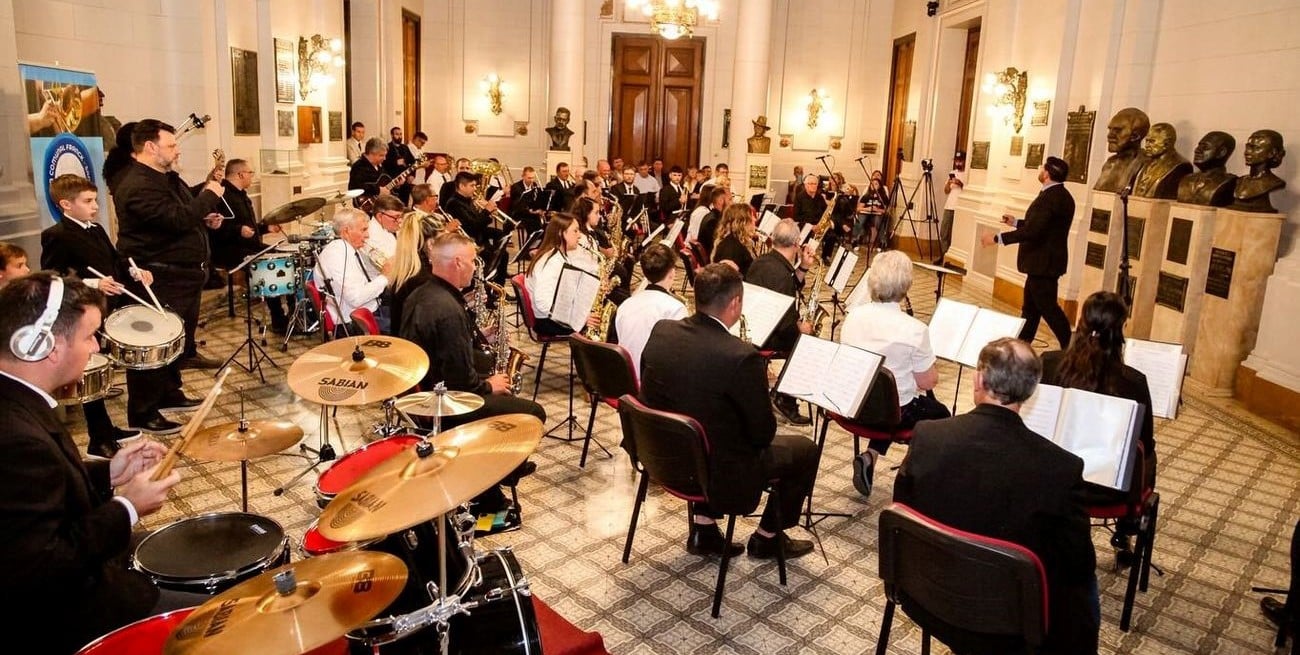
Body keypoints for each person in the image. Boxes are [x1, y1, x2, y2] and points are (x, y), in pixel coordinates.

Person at [0, 272, 196, 655]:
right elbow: (40, 567)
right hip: (59, 615)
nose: (96, 348)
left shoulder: (18, 400)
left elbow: (38, 489)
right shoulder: (14, 437)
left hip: (64, 587)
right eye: (90, 336)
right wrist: (127, 507)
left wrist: (108, 472)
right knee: (210, 619)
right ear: (44, 345)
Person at [894, 337, 1099, 654]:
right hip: (1011, 623)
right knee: (1083, 593)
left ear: (979, 378)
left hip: (926, 596)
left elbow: (902, 514)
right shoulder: (1061, 468)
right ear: (1030, 392)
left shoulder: (928, 435)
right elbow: (1079, 563)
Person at [640, 263, 818, 560]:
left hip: (663, 458)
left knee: (709, 420)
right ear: (735, 304)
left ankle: (704, 528)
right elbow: (763, 433)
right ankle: (768, 537)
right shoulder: (740, 356)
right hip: (715, 473)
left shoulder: (663, 331)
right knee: (805, 450)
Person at [399, 233, 544, 532]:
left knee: (490, 368)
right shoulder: (448, 310)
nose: (476, 267)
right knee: (532, 412)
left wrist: (476, 340)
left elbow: (442, 350)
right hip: (444, 403)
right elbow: (462, 383)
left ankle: (495, 476)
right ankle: (496, 475)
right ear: (457, 262)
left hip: (422, 391)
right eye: (473, 261)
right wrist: (491, 384)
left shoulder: (422, 293)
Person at [111, 119, 224, 433]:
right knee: (154, 341)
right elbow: (175, 219)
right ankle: (144, 411)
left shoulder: (165, 178)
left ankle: (169, 392)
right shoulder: (136, 184)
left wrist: (207, 217)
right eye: (171, 145)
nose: (176, 151)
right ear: (150, 147)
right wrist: (211, 193)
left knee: (177, 340)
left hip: (183, 275)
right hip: (157, 276)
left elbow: (186, 214)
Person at [40, 175, 152, 454]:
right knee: (89, 371)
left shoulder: (97, 229)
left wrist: (134, 271)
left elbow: (115, 259)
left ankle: (105, 428)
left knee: (102, 369)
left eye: (95, 200)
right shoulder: (56, 235)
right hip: (80, 312)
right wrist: (93, 283)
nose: (95, 206)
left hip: (105, 309)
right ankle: (98, 439)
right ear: (66, 204)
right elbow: (54, 277)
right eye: (88, 201)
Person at [1040, 291, 1156, 560]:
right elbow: (1145, 444)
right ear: (1120, 331)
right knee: (1145, 453)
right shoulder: (1133, 381)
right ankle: (1125, 529)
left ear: (1080, 322)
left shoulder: (1049, 364)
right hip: (1109, 492)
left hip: (1054, 479)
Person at [839, 250, 949, 497]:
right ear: (906, 285)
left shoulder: (853, 316)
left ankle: (870, 456)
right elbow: (928, 381)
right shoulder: (914, 329)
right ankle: (911, 475)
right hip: (892, 414)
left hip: (853, 405)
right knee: (940, 415)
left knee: (889, 397)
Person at [980, 156, 1075, 349]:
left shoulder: (1049, 198)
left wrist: (998, 238)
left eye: (1042, 168)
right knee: (1030, 311)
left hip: (1042, 264)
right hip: (1045, 263)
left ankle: (1071, 348)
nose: (1040, 169)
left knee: (1049, 310)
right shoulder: (1062, 196)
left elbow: (1034, 231)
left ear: (1047, 173)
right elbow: (1042, 226)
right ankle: (1021, 347)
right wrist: (1015, 223)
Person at [746, 219, 816, 426]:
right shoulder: (781, 275)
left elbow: (787, 285)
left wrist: (803, 267)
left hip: (753, 327)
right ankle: (785, 398)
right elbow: (786, 328)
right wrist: (802, 329)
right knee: (808, 343)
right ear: (796, 244)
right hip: (767, 335)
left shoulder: (763, 261)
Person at [615, 243, 687, 380]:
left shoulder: (626, 305)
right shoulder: (675, 309)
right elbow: (678, 354)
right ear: (672, 273)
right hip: (653, 384)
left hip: (625, 380)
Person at [315, 208, 392, 334]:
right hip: (355, 322)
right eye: (363, 230)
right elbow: (356, 299)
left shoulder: (346, 249)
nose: (367, 235)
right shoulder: (339, 255)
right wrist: (384, 277)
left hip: (365, 311)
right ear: (346, 231)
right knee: (409, 325)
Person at [524, 214, 593, 337]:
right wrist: (579, 317)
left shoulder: (558, 255)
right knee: (599, 326)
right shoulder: (550, 262)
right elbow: (543, 303)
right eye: (575, 231)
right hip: (548, 322)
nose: (579, 235)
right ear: (562, 233)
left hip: (555, 316)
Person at [1093, 107, 1150, 193]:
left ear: (1135, 136)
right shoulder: (1110, 162)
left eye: (1117, 130)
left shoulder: (1145, 164)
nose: (1110, 135)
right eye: (1110, 129)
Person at [1231, 129, 1288, 214]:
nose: (1247, 152)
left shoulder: (1274, 182)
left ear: (1272, 153)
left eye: (1256, 148)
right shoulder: (1239, 181)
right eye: (1247, 147)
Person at [1176, 131, 1239, 207]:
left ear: (1221, 152)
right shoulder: (1186, 179)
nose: (1197, 150)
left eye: (1205, 147)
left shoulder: (1230, 182)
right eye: (1199, 146)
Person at [1132, 122, 1192, 199]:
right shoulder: (1144, 162)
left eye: (1152, 141)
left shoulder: (1180, 166)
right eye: (1147, 141)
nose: (1147, 145)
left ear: (1167, 143)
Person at [711, 203, 759, 276]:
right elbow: (727, 279)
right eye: (752, 216)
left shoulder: (737, 241)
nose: (755, 220)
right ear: (742, 222)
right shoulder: (732, 248)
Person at [939, 152, 965, 262]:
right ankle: (943, 255)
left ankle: (951, 258)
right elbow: (946, 191)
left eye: (960, 161)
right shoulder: (952, 172)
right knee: (944, 231)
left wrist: (960, 184)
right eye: (956, 160)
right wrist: (949, 183)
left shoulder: (967, 174)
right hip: (949, 205)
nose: (958, 163)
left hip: (959, 207)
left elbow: (968, 190)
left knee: (954, 233)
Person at [348, 137, 390, 207]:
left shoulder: (379, 166)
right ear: (371, 153)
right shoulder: (359, 166)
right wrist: (377, 190)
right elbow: (355, 187)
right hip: (365, 205)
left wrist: (396, 184)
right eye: (381, 155)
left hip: (379, 204)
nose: (384, 158)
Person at [693, 187, 730, 261]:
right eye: (730, 199)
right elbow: (715, 247)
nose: (732, 203)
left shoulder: (712, 215)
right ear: (721, 201)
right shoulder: (713, 221)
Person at [366, 194, 404, 260]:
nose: (400, 220)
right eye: (396, 217)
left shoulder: (389, 225)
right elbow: (389, 265)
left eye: (400, 216)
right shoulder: (371, 237)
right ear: (380, 216)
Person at [383, 126, 413, 204]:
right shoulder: (387, 147)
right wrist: (395, 162)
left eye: (400, 134)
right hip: (392, 180)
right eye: (397, 134)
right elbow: (383, 163)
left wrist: (412, 175)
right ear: (392, 135)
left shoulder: (405, 147)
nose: (399, 136)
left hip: (405, 179)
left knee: (405, 202)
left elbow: (413, 162)